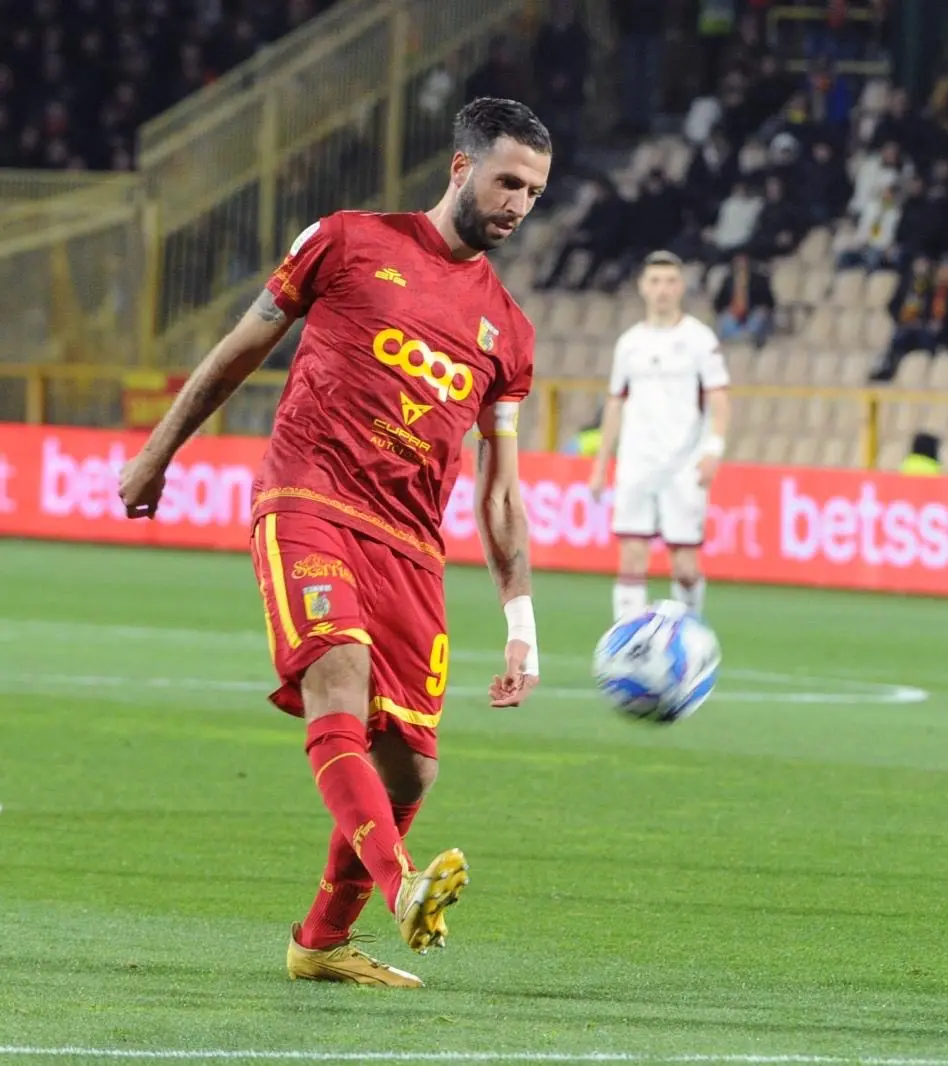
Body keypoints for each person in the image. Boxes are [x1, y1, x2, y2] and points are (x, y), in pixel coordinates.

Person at [117, 98, 553, 988]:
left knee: (412, 771)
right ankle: (404, 887)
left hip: (408, 544)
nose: (519, 204)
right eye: (508, 180)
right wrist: (159, 453)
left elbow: (499, 488)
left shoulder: (506, 330)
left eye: (536, 191)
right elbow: (240, 350)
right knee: (338, 677)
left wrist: (522, 621)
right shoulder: (347, 241)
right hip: (307, 500)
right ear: (461, 168)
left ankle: (319, 942)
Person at [588, 250, 731, 621]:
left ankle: (690, 633)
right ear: (642, 287)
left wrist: (714, 449)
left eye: (669, 281)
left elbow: (719, 398)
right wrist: (602, 464)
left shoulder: (700, 339)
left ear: (681, 287)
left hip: (683, 465)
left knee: (684, 564)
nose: (662, 290)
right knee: (632, 556)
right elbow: (616, 404)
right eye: (654, 281)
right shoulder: (630, 343)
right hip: (637, 463)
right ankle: (627, 642)